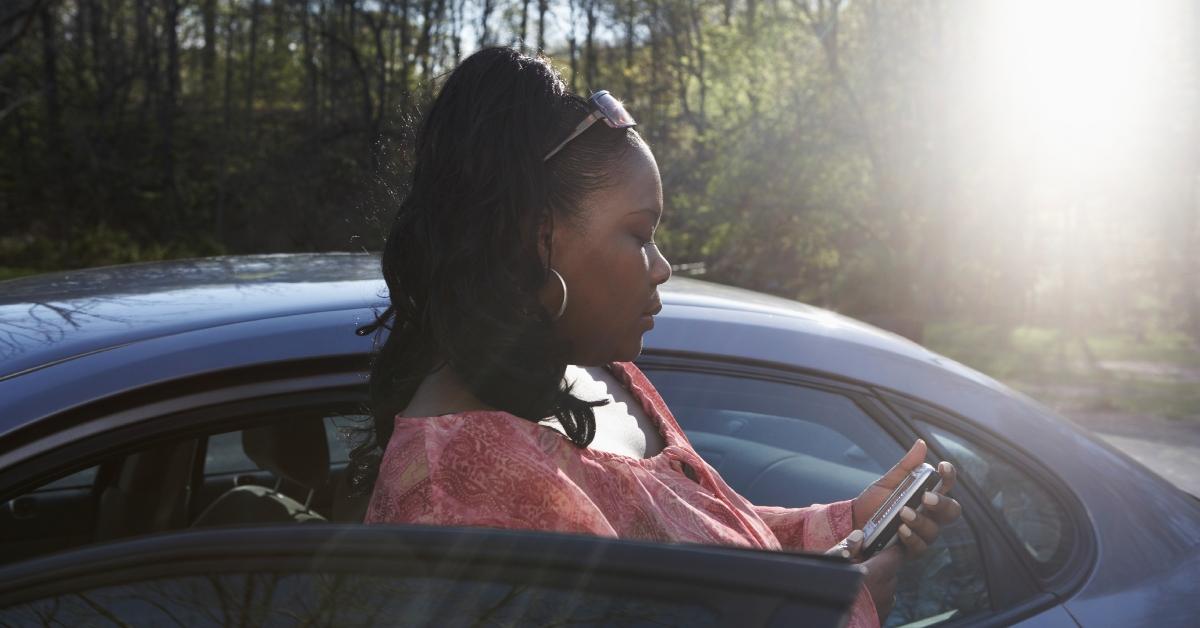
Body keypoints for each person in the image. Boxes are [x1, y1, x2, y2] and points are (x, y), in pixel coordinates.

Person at [353, 46, 962, 627]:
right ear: (536, 236)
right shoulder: (458, 496)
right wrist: (845, 610)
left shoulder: (596, 374)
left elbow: (707, 549)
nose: (662, 264)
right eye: (639, 234)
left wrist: (846, 522)